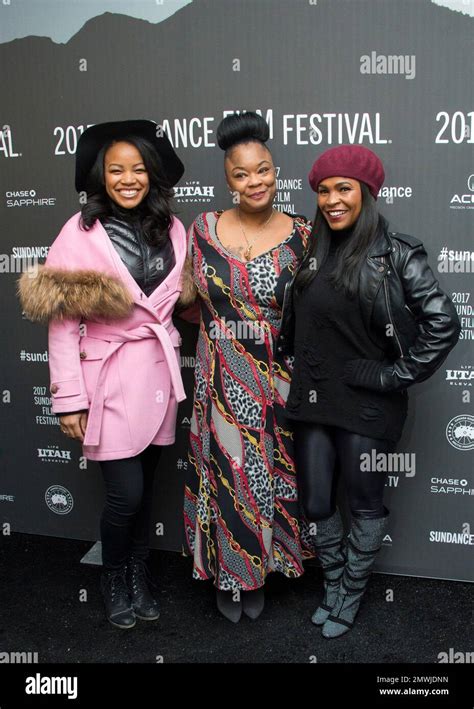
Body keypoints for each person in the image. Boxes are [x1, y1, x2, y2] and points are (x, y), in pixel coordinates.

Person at [277, 145, 460, 638]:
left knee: (363, 500)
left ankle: (351, 593)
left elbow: (444, 322)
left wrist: (391, 375)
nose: (333, 200)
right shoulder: (310, 252)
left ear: (366, 193)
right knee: (316, 501)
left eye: (344, 189)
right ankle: (333, 581)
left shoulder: (397, 251)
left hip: (368, 402)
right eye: (323, 190)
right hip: (314, 399)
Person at [18, 119, 194, 629]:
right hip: (108, 382)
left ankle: (138, 571)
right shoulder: (80, 232)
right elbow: (61, 324)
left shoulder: (175, 228)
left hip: (159, 377)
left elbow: (181, 303)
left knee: (149, 487)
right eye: (116, 169)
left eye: (138, 168)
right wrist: (68, 398)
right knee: (126, 493)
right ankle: (114, 573)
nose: (128, 178)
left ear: (153, 174)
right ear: (101, 175)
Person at [183, 112, 313, 623]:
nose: (255, 181)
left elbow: (316, 311)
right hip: (218, 372)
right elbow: (191, 301)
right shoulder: (203, 229)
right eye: (242, 174)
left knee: (266, 474)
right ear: (227, 179)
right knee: (228, 473)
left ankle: (264, 569)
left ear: (275, 170)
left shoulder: (303, 234)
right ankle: (230, 576)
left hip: (276, 375)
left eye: (263, 170)